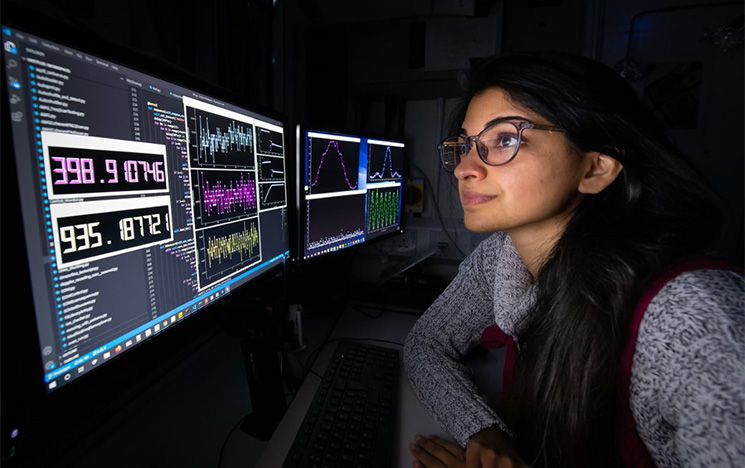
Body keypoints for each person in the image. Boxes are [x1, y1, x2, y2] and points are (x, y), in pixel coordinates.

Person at [404, 52, 744, 468]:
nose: (463, 169)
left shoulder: (696, 318)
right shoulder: (501, 257)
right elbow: (427, 343)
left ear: (595, 168)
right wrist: (485, 431)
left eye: (506, 139)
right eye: (464, 145)